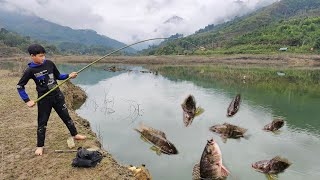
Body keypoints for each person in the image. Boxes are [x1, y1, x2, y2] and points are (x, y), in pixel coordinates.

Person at [17, 44, 86, 156]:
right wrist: (27, 100)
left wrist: (69, 75)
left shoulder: (49, 63)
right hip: (44, 99)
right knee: (42, 122)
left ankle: (75, 134)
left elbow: (58, 76)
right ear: (32, 56)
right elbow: (20, 86)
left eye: (44, 55)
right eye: (40, 56)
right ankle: (40, 146)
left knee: (66, 117)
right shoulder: (30, 70)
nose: (43, 58)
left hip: (57, 96)